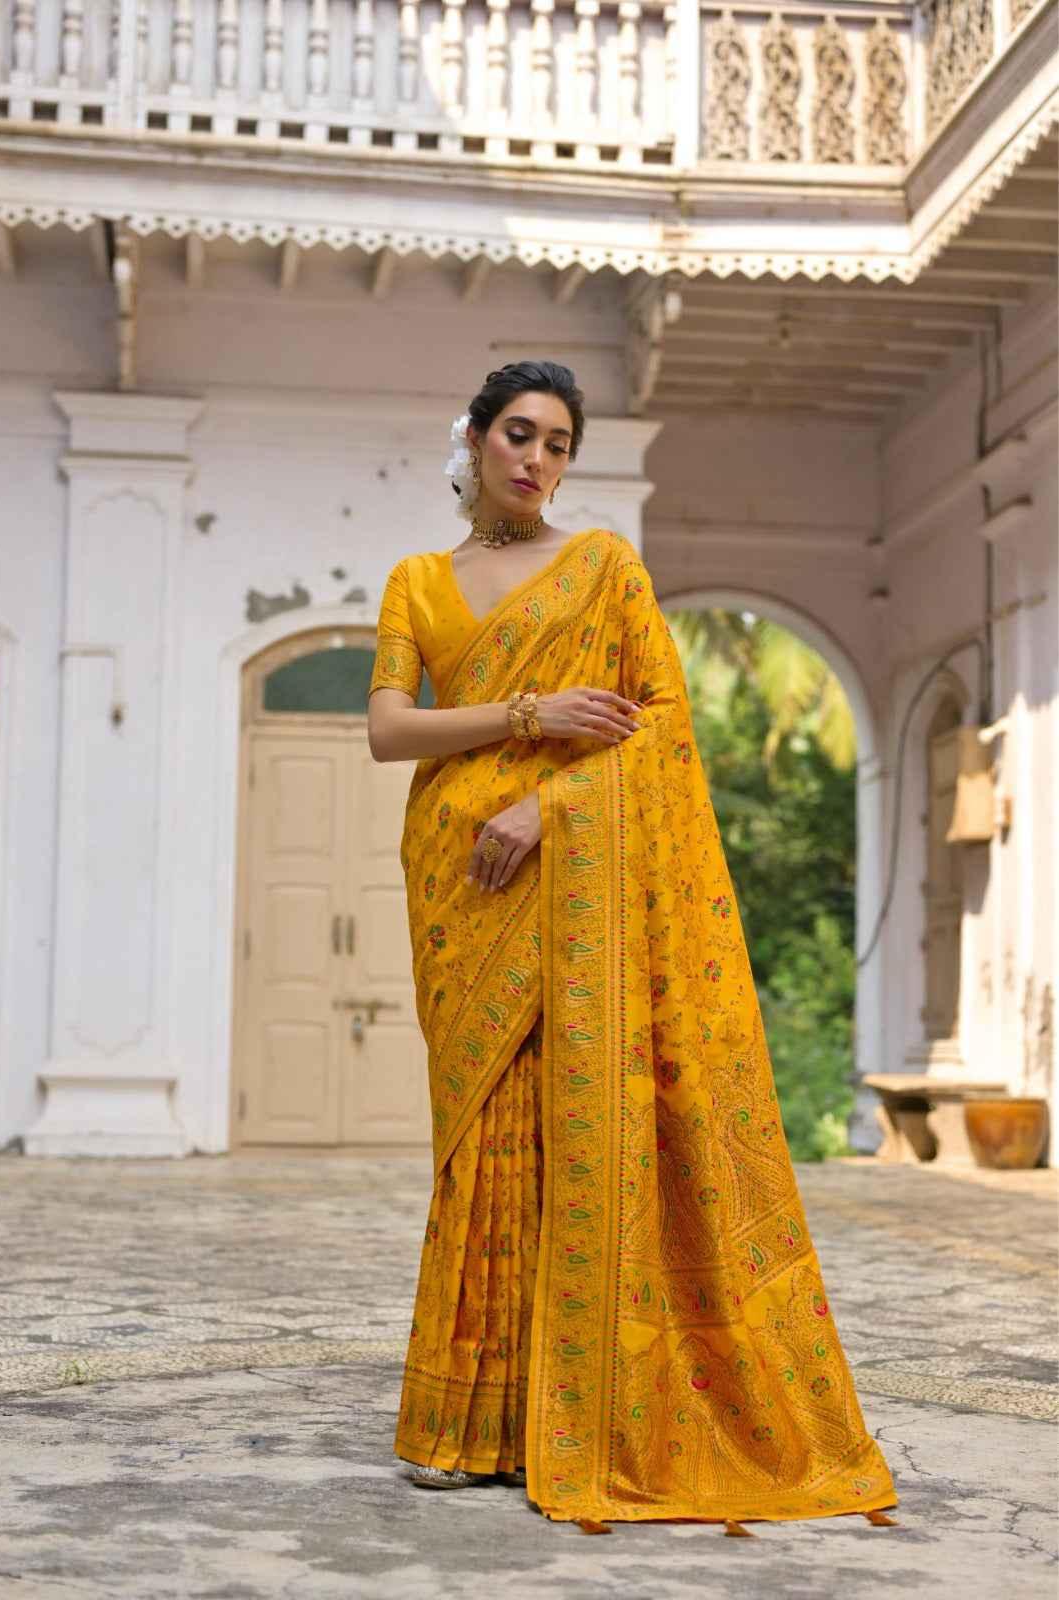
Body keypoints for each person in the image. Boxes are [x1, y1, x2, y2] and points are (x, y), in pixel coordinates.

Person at [366, 359, 899, 1537]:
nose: (536, 460)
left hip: (570, 873)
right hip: (458, 883)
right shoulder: (418, 581)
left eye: (558, 443)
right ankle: (464, 1423)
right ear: (475, 436)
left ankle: (566, 1417)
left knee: (575, 1129)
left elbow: (661, 724)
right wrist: (530, 714)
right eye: (519, 433)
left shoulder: (606, 568)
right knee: (480, 1140)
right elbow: (390, 729)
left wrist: (546, 803)